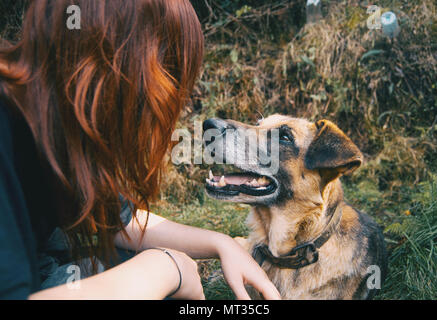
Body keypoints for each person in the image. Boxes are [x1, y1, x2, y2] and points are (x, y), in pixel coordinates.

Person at [0, 0, 280, 300]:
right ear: (121, 62)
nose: (173, 100)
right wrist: (166, 267)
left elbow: (121, 221)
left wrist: (221, 243)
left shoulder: (55, 128)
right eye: (169, 77)